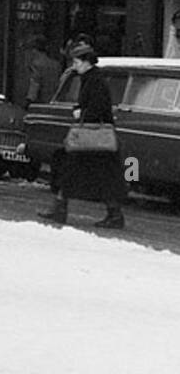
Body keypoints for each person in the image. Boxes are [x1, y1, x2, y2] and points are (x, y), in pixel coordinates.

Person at [40, 41, 126, 230]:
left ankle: (61, 209)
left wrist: (81, 113)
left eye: (77, 62)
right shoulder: (92, 78)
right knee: (97, 176)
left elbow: (98, 106)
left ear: (87, 62)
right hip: (96, 140)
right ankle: (112, 213)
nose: (74, 66)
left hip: (91, 137)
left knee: (70, 168)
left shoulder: (94, 80)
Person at [22, 34, 62, 107]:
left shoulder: (36, 65)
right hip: (54, 104)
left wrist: (28, 102)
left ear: (34, 50)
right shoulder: (56, 65)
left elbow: (34, 86)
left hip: (39, 105)